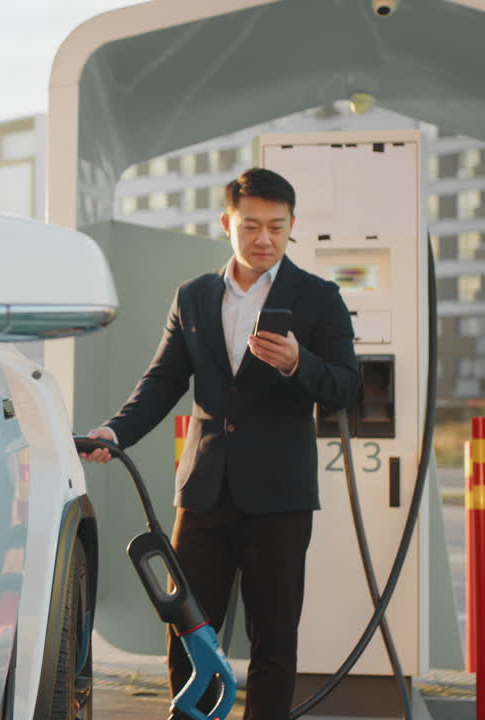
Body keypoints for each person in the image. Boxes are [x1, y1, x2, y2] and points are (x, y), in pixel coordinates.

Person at [80, 167, 359, 720]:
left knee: (274, 639)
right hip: (204, 493)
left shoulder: (320, 298)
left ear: (292, 226)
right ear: (227, 222)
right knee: (189, 633)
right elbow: (163, 382)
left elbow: (348, 388)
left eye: (276, 227)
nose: (264, 239)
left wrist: (299, 363)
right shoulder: (195, 297)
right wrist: (116, 430)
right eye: (251, 225)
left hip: (280, 498)